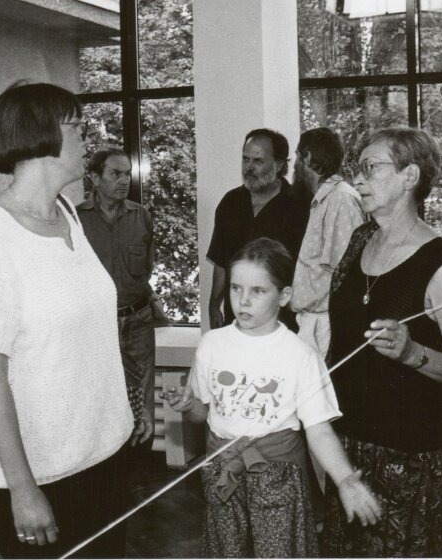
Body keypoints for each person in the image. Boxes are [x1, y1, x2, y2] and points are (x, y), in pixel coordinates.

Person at [0, 82, 134, 558]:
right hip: (43, 478)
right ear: (43, 135)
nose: (86, 140)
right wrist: (23, 490)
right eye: (76, 127)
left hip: (102, 457)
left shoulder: (67, 213)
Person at [163, 237, 382, 557]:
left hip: (278, 477)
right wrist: (188, 406)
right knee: (227, 552)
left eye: (257, 291)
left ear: (284, 296)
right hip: (223, 472)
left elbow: (319, 431)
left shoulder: (300, 355)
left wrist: (346, 479)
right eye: (236, 288)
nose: (243, 301)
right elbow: (203, 414)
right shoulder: (212, 344)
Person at [322, 127, 442, 557]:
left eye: (370, 169)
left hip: (408, 454)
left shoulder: (440, 263)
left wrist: (413, 353)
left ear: (409, 177)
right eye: (357, 170)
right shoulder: (358, 242)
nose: (357, 180)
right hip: (348, 442)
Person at [78, 149, 157, 454]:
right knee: (102, 397)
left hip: (137, 321)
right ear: (95, 178)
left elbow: (146, 269)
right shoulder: (77, 220)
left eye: (128, 174)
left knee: (143, 398)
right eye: (116, 174)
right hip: (97, 325)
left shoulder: (141, 216)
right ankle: (109, 470)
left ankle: (140, 469)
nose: (125, 181)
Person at [207, 128, 309, 330]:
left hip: (281, 322)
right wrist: (213, 305)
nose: (249, 167)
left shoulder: (299, 206)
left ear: (279, 164)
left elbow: (305, 269)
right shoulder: (230, 202)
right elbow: (221, 260)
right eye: (245, 159)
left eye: (258, 161)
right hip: (236, 318)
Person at [290, 127, 364, 359]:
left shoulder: (341, 199)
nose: (294, 166)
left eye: (297, 157)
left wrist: (337, 337)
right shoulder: (324, 199)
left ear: (308, 157)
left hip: (328, 326)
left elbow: (348, 273)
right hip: (314, 325)